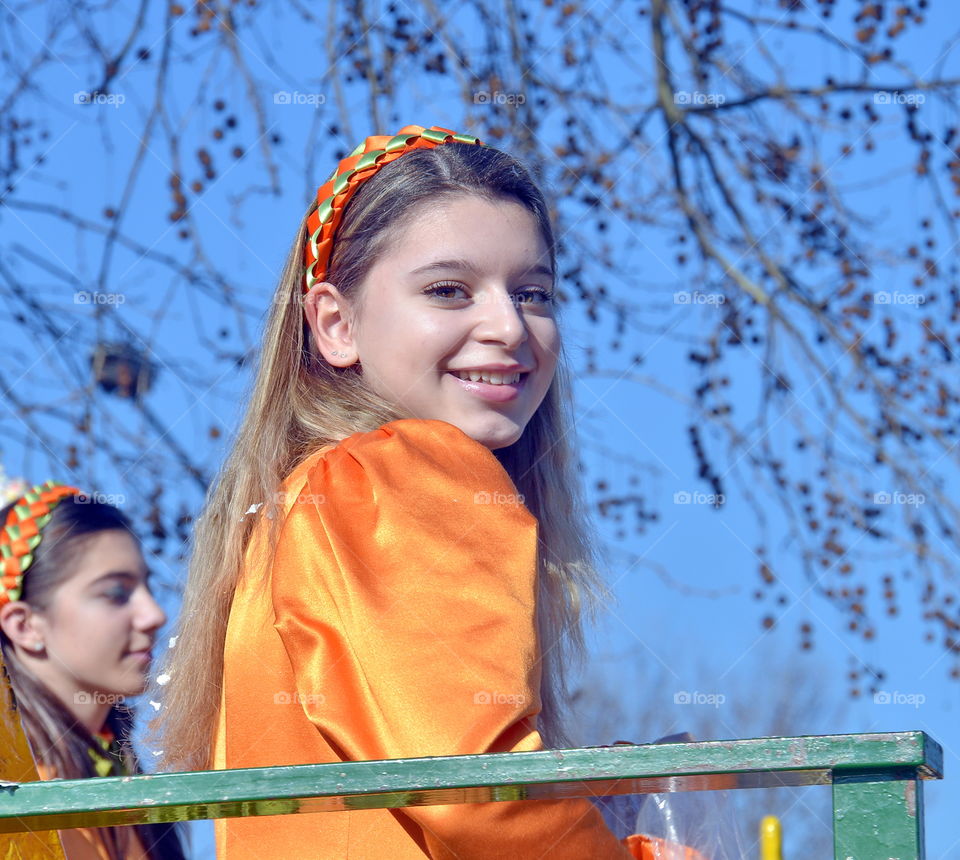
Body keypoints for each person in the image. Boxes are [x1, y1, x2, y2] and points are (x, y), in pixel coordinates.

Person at [157, 124, 703, 859]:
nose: (508, 325)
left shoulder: (307, 499)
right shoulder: (396, 474)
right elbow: (479, 789)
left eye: (533, 293)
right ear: (335, 323)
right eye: (449, 290)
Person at [0, 481, 186, 860]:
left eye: (146, 587)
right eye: (116, 593)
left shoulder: (134, 792)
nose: (155, 615)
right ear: (24, 625)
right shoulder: (12, 792)